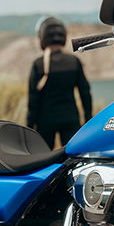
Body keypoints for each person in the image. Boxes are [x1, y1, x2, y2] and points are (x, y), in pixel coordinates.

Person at [27, 17, 93, 149]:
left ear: (43, 37)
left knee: (44, 159)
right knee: (71, 158)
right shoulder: (74, 61)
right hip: (70, 119)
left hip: (45, 121)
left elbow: (33, 100)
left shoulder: (38, 65)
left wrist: (29, 128)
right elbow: (85, 93)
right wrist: (88, 121)